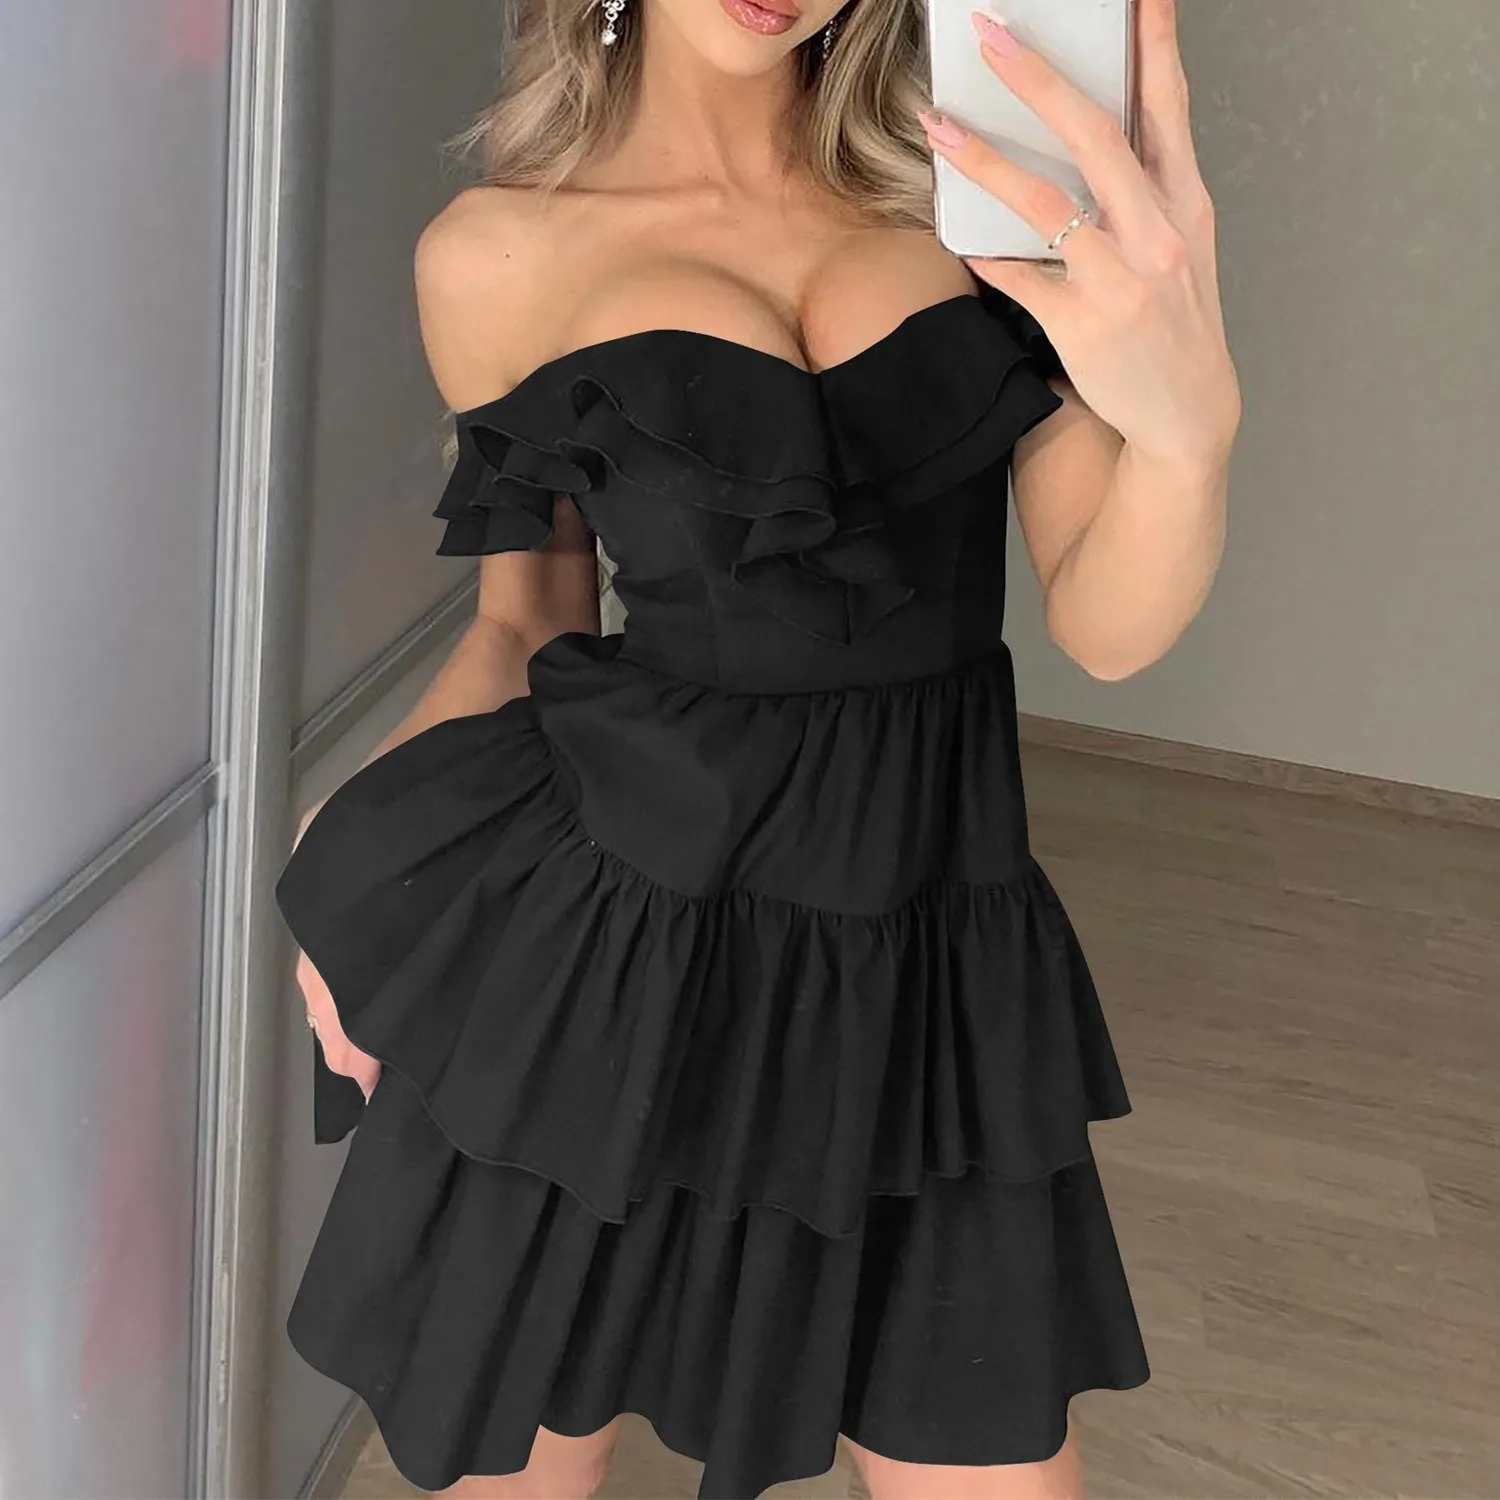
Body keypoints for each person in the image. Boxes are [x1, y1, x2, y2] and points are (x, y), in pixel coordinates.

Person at [275, 0, 1239, 1495]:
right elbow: (522, 626)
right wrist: (364, 878)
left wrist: (1189, 435)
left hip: (929, 973)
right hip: (612, 959)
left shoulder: (988, 207)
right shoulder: (495, 254)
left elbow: (1107, 626)